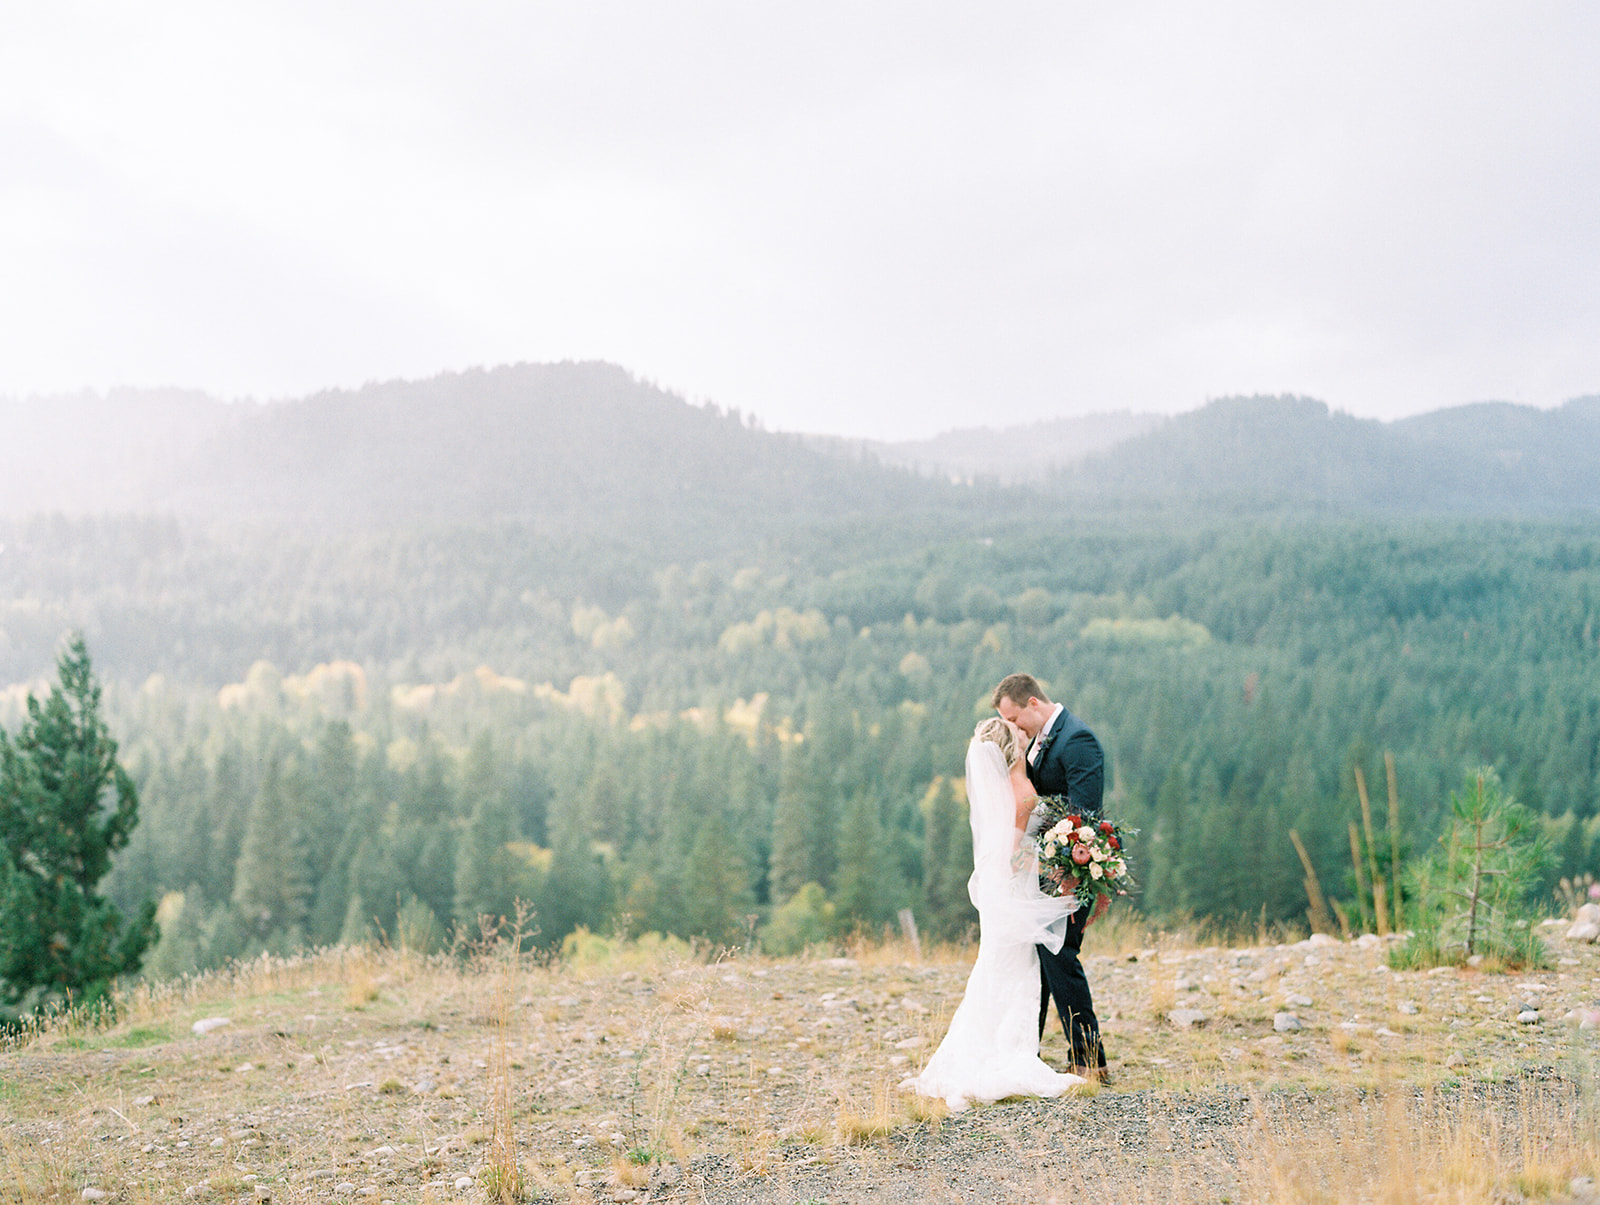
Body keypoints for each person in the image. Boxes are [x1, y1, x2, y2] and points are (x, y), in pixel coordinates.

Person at [900, 717, 1086, 1112]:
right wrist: (1051, 862)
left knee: (997, 970)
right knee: (1014, 971)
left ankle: (990, 1050)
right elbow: (1016, 854)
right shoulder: (1020, 792)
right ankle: (1008, 1056)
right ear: (1012, 747)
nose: (1023, 732)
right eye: (1016, 732)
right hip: (1014, 889)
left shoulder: (1007, 786)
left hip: (1005, 893)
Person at [993, 672, 1109, 1081]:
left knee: (1061, 958)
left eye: (1015, 718)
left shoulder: (1077, 739)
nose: (1014, 727)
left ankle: (1090, 1061)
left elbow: (1085, 814)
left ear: (1033, 703)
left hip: (1072, 873)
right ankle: (1032, 1053)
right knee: (1045, 960)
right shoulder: (1041, 740)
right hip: (1045, 874)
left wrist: (1070, 873)